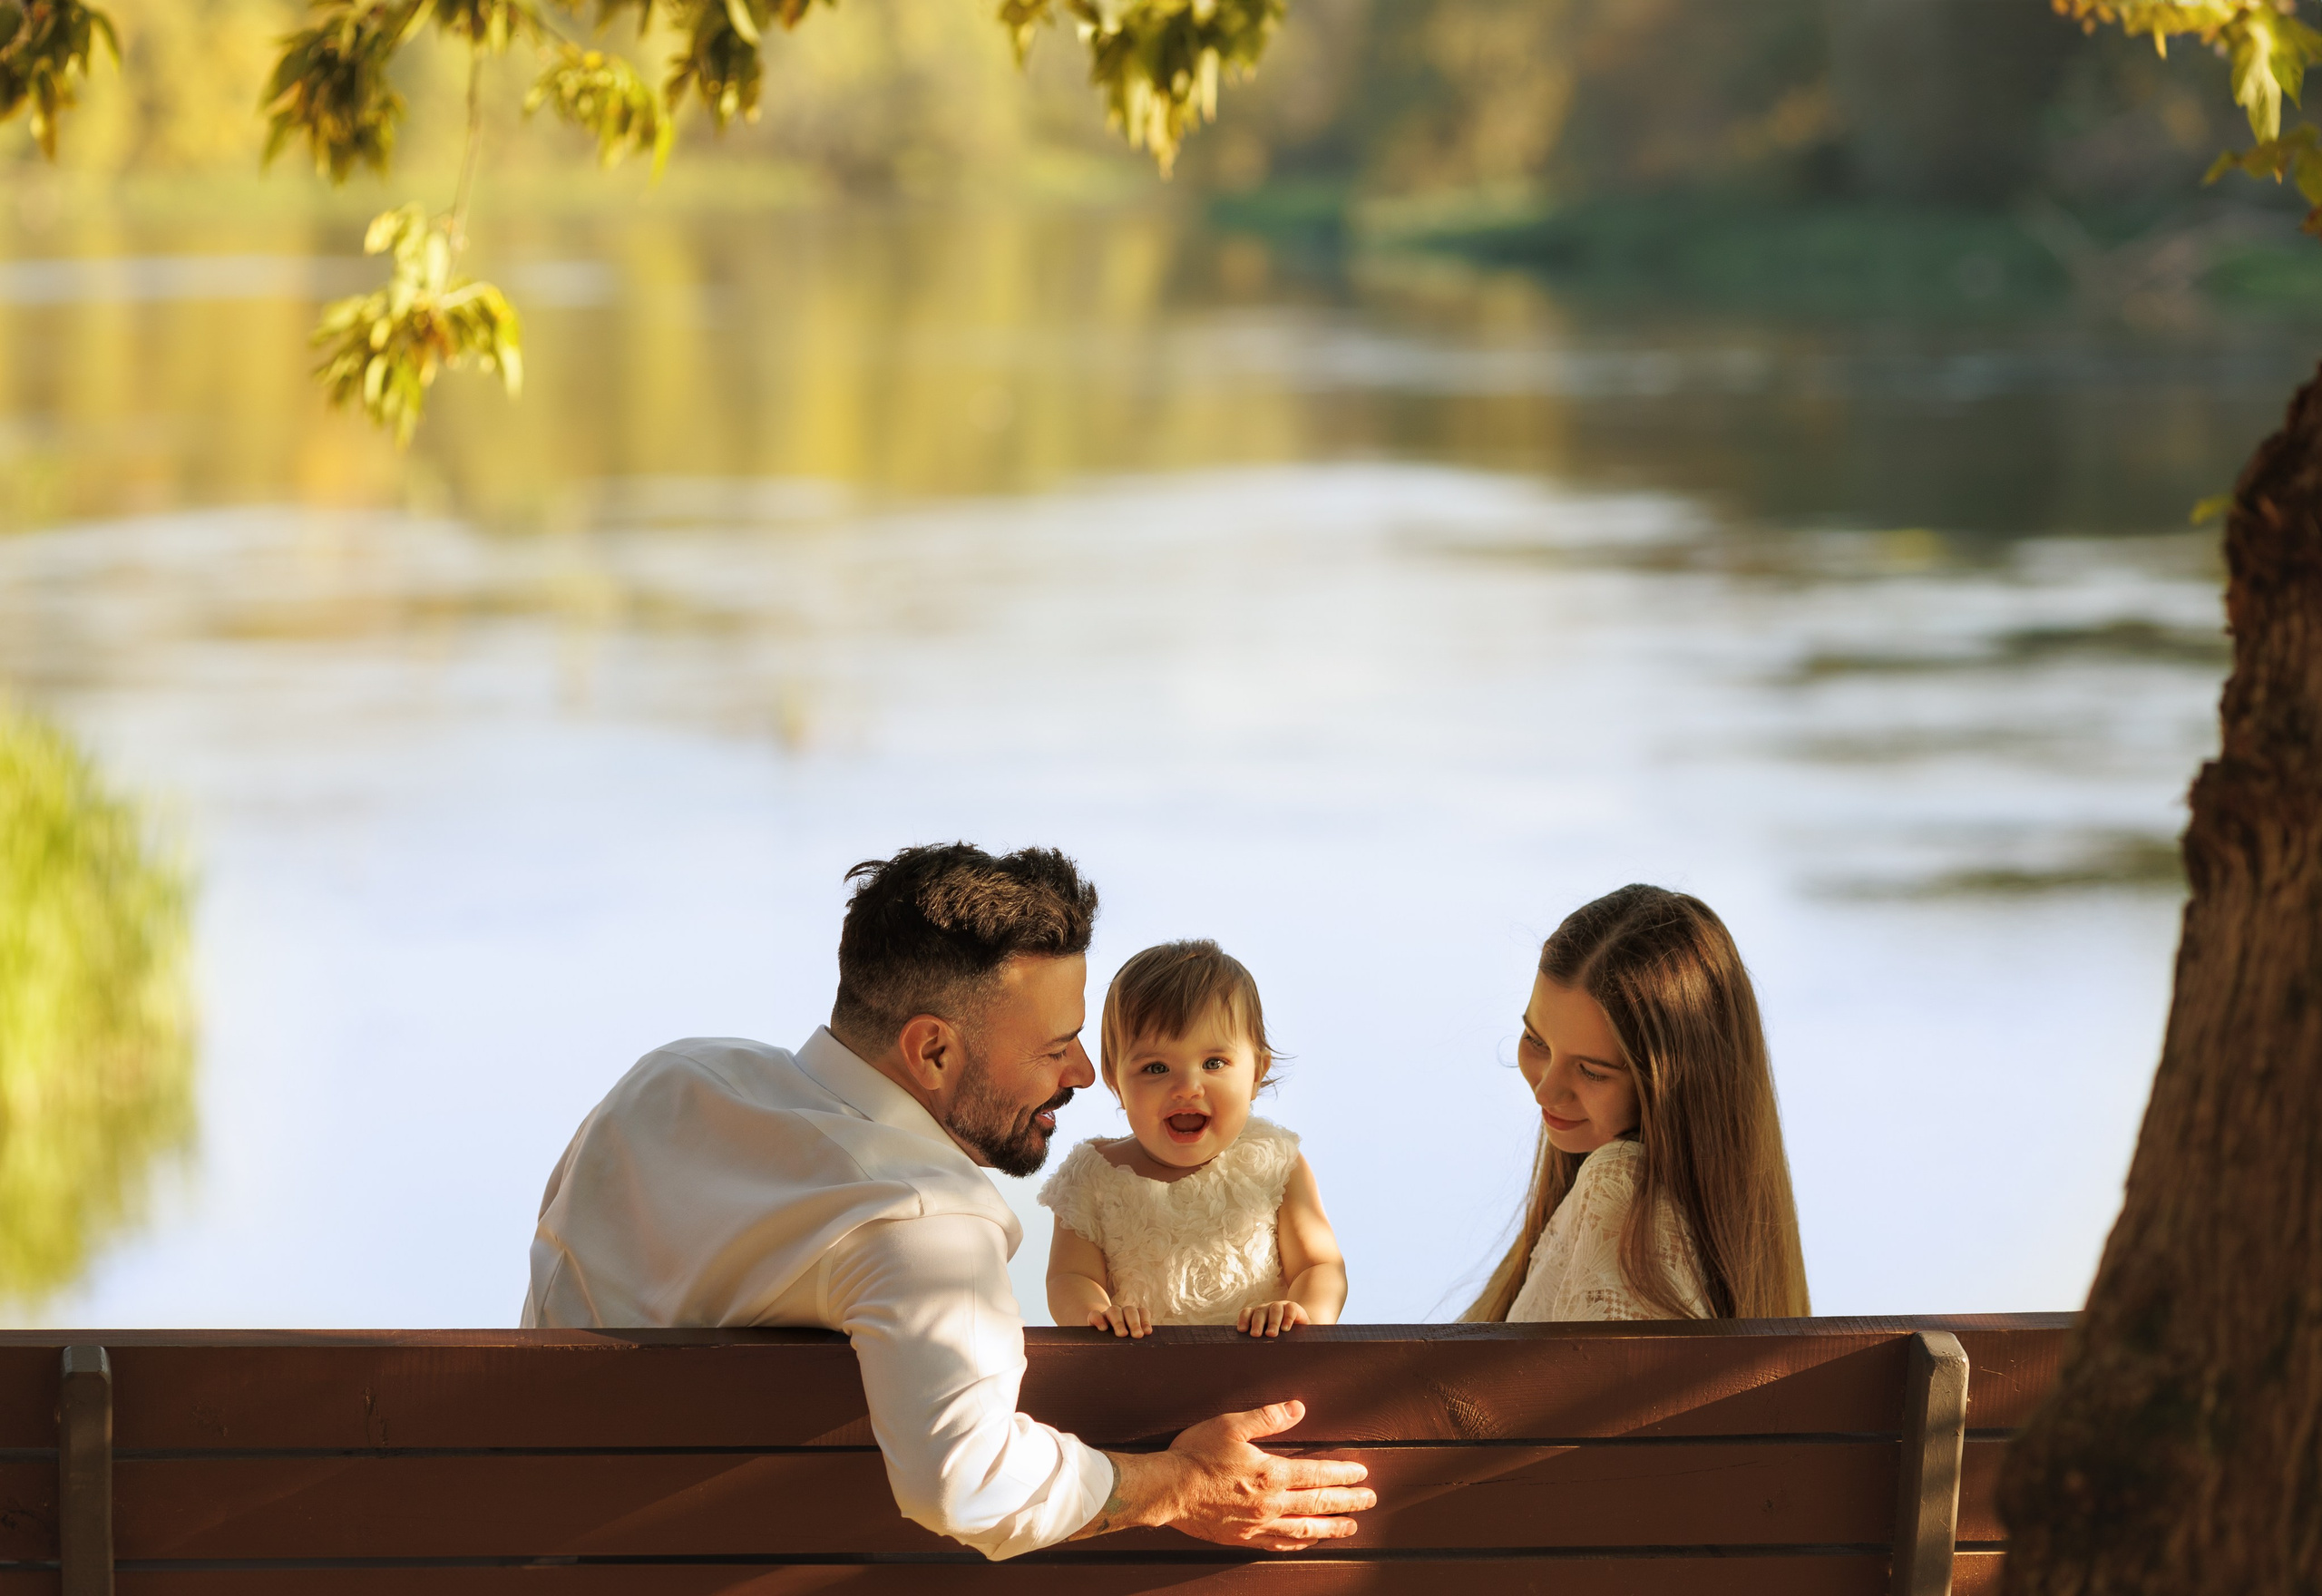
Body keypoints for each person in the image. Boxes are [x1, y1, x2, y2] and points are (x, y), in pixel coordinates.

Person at [522, 843, 1375, 1560]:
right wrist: (1181, 1485)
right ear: (932, 1051)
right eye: (1059, 1046)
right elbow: (970, 1486)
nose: (1084, 1075)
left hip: (534, 1538)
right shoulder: (924, 1222)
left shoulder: (672, 1079)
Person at [1466, 882, 1811, 1323]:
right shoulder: (1731, 1245)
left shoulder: (1620, 1190)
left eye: (1591, 1071)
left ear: (1676, 1085)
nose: (1545, 1091)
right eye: (1535, 1040)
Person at [1039, 939, 1347, 1339]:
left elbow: (1319, 1266)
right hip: (1146, 1377)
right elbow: (1069, 1276)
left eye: (1214, 1063)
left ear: (1256, 1074)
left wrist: (1301, 1314)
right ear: (1116, 1080)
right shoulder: (1094, 1175)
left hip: (1260, 1363)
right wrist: (1096, 1313)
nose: (1187, 1087)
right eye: (1156, 1067)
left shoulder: (1272, 1160)